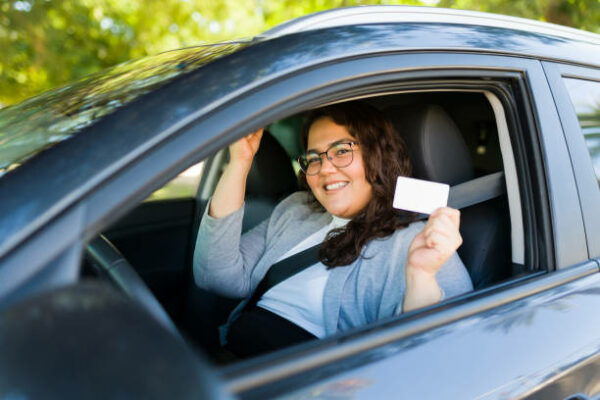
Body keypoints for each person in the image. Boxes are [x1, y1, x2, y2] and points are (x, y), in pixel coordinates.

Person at [193, 101, 473, 358]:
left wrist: (421, 276)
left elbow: (438, 356)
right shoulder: (297, 208)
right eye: (314, 158)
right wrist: (240, 163)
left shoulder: (422, 243)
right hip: (227, 358)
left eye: (341, 151)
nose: (324, 169)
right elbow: (216, 276)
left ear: (377, 156)